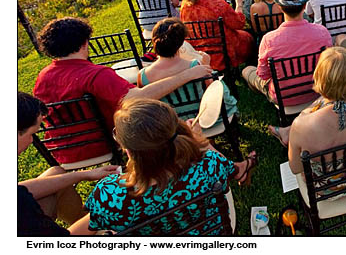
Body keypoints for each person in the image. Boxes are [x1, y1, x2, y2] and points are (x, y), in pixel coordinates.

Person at [32, 17, 213, 165]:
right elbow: (140, 98)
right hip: (102, 144)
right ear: (84, 44)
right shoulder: (95, 75)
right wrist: (187, 75)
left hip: (60, 150)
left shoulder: (42, 77)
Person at [73, 98, 258, 235]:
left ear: (128, 150)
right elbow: (228, 168)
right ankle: (247, 164)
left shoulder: (109, 194)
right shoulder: (209, 164)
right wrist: (201, 141)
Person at [268, 48, 346, 192]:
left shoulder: (301, 125)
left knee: (322, 104)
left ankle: (286, 132)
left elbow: (295, 168)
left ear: (319, 78)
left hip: (324, 190)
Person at [17, 92, 118, 236]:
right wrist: (103, 209)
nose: (32, 141)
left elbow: (22, 189)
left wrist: (84, 174)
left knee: (55, 173)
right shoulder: (21, 207)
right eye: (31, 134)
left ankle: (86, 224)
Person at [242, 0, 332, 106]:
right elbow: (329, 66)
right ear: (305, 6)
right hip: (316, 92)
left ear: (279, 6)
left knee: (246, 71)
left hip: (283, 97)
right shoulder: (322, 32)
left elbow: (263, 75)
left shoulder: (269, 40)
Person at [137, 18, 237, 128]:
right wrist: (207, 65)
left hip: (170, 125)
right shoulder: (194, 66)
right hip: (201, 119)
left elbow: (145, 105)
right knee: (219, 82)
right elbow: (212, 93)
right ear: (181, 43)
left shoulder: (143, 76)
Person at [180, 0, 253, 72]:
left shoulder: (185, 6)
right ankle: (249, 70)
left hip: (197, 50)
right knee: (248, 37)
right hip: (223, 48)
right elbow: (238, 23)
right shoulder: (217, 3)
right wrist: (239, 5)